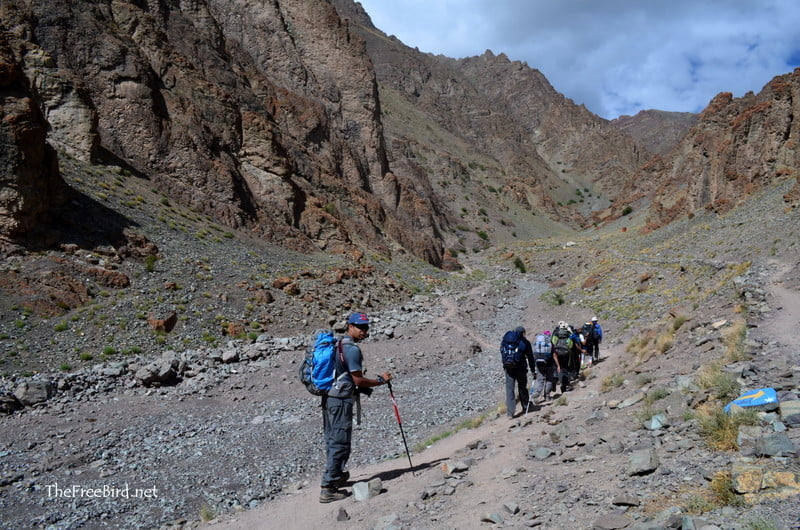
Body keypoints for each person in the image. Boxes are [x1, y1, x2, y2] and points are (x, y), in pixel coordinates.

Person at [320, 312, 393, 503]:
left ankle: (336, 475)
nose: (364, 331)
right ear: (350, 326)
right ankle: (328, 488)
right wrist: (380, 381)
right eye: (360, 327)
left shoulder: (337, 344)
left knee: (332, 439)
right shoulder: (351, 349)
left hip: (329, 398)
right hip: (341, 401)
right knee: (340, 442)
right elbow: (359, 380)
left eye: (366, 327)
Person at [502, 326, 534, 418]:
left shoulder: (506, 341)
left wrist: (505, 365)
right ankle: (525, 406)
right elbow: (530, 357)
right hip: (521, 368)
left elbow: (502, 352)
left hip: (508, 368)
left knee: (509, 389)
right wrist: (533, 370)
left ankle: (510, 413)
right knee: (522, 387)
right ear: (523, 333)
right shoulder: (525, 342)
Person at [530, 330, 560, 405]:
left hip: (539, 364)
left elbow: (534, 354)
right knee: (549, 379)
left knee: (540, 380)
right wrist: (558, 365)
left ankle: (536, 395)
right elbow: (554, 355)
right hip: (548, 363)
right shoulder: (550, 344)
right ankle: (547, 396)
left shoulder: (538, 344)